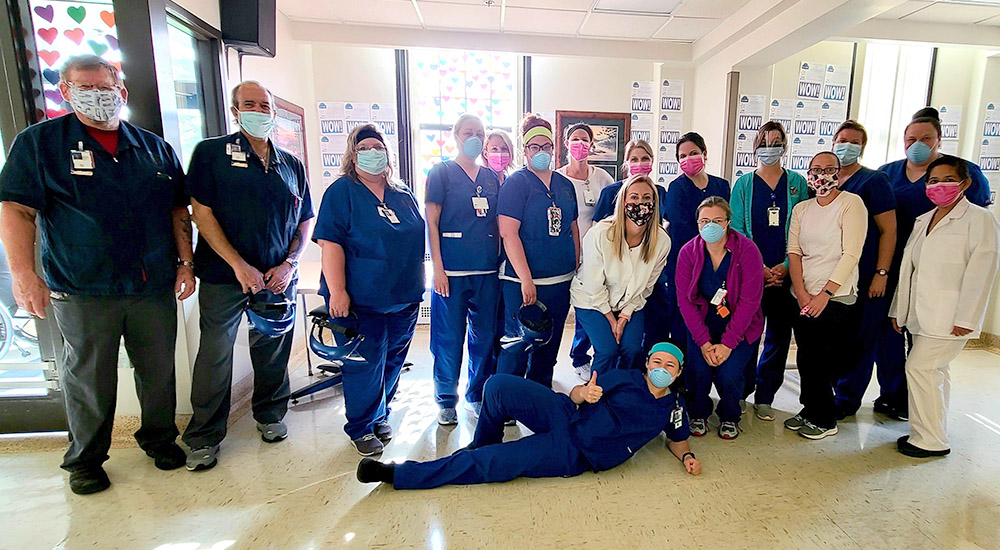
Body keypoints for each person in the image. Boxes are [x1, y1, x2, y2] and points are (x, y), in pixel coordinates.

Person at [0, 55, 193, 494]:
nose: (97, 97)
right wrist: (23, 275)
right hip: (82, 286)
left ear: (120, 92)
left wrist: (185, 263)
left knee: (158, 370)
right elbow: (16, 209)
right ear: (65, 92)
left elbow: (177, 209)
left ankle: (160, 439)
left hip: (151, 283)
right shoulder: (40, 144)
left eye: (104, 88)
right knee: (88, 376)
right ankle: (85, 459)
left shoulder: (153, 148)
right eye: (84, 88)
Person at [182, 81, 314, 471]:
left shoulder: (290, 164)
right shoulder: (211, 153)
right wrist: (239, 265)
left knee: (273, 347)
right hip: (225, 275)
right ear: (235, 110)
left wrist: (290, 264)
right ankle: (204, 436)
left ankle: (270, 416)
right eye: (249, 104)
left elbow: (305, 220)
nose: (258, 110)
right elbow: (200, 214)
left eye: (264, 105)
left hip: (276, 276)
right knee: (215, 354)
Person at [355, 342, 701, 489]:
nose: (661, 368)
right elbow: (580, 395)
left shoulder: (673, 408)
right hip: (566, 413)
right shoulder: (626, 377)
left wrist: (686, 456)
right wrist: (585, 392)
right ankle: (482, 442)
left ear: (678, 371)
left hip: (575, 453)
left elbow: (678, 438)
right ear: (647, 363)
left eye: (669, 365)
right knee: (498, 385)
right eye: (657, 361)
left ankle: (398, 475)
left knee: (490, 464)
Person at [314, 123, 425, 456]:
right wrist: (337, 291)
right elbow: (329, 243)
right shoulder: (342, 192)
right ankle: (361, 427)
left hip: (404, 296)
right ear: (353, 154)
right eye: (365, 148)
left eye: (379, 147)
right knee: (364, 364)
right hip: (360, 300)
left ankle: (381, 413)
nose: (374, 153)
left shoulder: (403, 194)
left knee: (393, 361)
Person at [876, 107, 992, 421]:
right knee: (889, 333)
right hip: (894, 265)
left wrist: (969, 315)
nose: (918, 143)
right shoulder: (887, 173)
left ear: (938, 139)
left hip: (941, 276)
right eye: (911, 138)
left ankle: (921, 411)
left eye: (925, 138)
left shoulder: (967, 177)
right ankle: (893, 396)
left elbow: (979, 253)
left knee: (925, 352)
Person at [890, 155, 1000, 458]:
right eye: (933, 180)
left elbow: (982, 271)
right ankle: (933, 431)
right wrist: (899, 310)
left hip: (950, 315)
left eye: (949, 179)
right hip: (921, 314)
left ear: (965, 183)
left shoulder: (980, 219)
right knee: (936, 372)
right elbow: (909, 270)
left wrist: (968, 317)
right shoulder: (925, 219)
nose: (940, 186)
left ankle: (930, 441)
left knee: (920, 368)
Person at [730, 121, 809, 422]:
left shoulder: (797, 184)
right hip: (752, 273)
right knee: (747, 335)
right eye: (764, 141)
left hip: (787, 273)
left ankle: (765, 396)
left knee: (778, 336)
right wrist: (759, 267)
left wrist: (787, 267)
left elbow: (803, 228)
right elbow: (737, 229)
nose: (770, 147)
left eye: (776, 141)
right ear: (755, 147)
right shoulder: (744, 185)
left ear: (785, 146)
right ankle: (740, 391)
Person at [785, 152, 867, 440]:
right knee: (806, 357)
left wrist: (824, 294)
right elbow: (794, 252)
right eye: (816, 169)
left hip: (835, 297)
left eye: (829, 169)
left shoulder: (850, 204)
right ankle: (809, 409)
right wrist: (802, 293)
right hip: (804, 295)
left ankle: (825, 418)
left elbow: (851, 254)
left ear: (839, 173)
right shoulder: (803, 209)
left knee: (822, 359)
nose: (822, 175)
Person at [425, 114, 501, 424]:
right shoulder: (440, 173)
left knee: (484, 338)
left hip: (486, 272)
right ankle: (446, 400)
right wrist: (438, 269)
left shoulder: (491, 177)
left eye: (480, 133)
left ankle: (476, 393)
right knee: (448, 339)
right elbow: (431, 222)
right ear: (455, 135)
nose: (475, 138)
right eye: (468, 132)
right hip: (452, 273)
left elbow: (496, 223)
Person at [497, 114, 579, 388]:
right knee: (518, 345)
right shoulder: (516, 184)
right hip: (524, 283)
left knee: (549, 344)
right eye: (535, 147)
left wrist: (575, 265)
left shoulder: (564, 185)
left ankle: (538, 396)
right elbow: (509, 233)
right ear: (526, 150)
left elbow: (573, 227)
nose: (542, 152)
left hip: (560, 281)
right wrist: (526, 279)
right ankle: (506, 402)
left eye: (547, 147)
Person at [675, 197, 764, 439]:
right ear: (697, 223)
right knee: (698, 370)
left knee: (729, 373)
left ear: (728, 222)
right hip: (702, 325)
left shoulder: (747, 250)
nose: (710, 226)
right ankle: (698, 413)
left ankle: (729, 415)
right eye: (704, 220)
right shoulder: (688, 252)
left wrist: (727, 344)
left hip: (740, 326)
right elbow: (685, 302)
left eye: (716, 220)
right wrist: (704, 343)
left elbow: (749, 302)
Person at [828, 121, 898, 419]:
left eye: (854, 142)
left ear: (862, 147)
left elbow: (888, 231)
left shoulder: (874, 181)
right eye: (842, 140)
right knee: (833, 339)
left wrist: (881, 273)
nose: (847, 146)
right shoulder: (825, 181)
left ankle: (847, 399)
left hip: (865, 275)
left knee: (860, 339)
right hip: (830, 277)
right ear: (833, 143)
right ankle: (830, 394)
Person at [570, 174, 669, 375]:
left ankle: (622, 393)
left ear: (654, 203)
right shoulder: (600, 234)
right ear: (624, 201)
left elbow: (647, 286)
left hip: (630, 302)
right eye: (634, 198)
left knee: (632, 349)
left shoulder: (662, 241)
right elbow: (593, 284)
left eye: (646, 198)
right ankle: (595, 398)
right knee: (607, 350)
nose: (640, 203)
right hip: (592, 301)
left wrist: (625, 316)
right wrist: (612, 319)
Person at [592, 140, 669, 357]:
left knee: (651, 320)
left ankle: (649, 365)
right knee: (605, 336)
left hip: (647, 265)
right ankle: (584, 358)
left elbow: (662, 224)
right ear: (626, 163)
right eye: (634, 159)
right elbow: (598, 230)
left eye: (645, 158)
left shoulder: (660, 191)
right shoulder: (612, 192)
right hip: (613, 270)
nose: (640, 163)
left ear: (652, 162)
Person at [557, 123, 615, 381]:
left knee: (586, 306)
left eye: (585, 140)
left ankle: (580, 356)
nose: (580, 144)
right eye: (575, 139)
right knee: (561, 309)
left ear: (592, 145)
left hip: (594, 254)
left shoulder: (602, 178)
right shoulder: (557, 177)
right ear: (566, 143)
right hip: (563, 253)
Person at [663, 133, 731, 350]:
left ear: (704, 154)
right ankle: (683, 373)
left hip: (718, 262)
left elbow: (728, 222)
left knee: (715, 313)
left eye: (693, 153)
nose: (688, 159)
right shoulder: (676, 188)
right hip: (685, 263)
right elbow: (681, 228)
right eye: (682, 156)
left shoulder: (721, 186)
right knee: (683, 317)